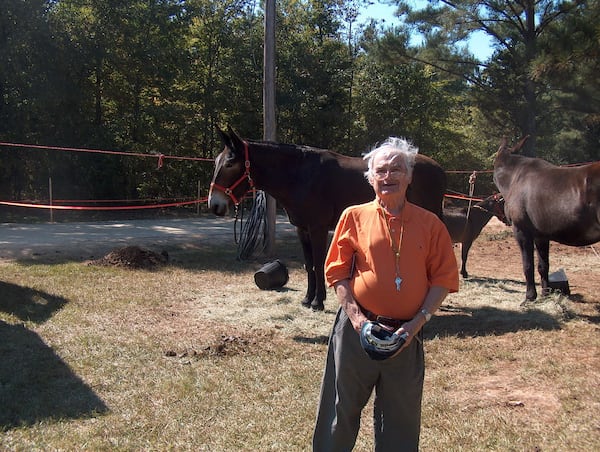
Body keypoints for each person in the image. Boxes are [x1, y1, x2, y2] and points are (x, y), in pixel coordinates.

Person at [312, 137, 459, 451]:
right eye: (381, 171)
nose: (388, 176)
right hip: (355, 333)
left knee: (400, 422)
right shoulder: (353, 217)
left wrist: (417, 323)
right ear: (370, 177)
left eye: (396, 169)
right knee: (339, 412)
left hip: (407, 334)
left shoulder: (430, 225)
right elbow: (337, 271)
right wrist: (357, 320)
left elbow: (443, 279)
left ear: (408, 176)